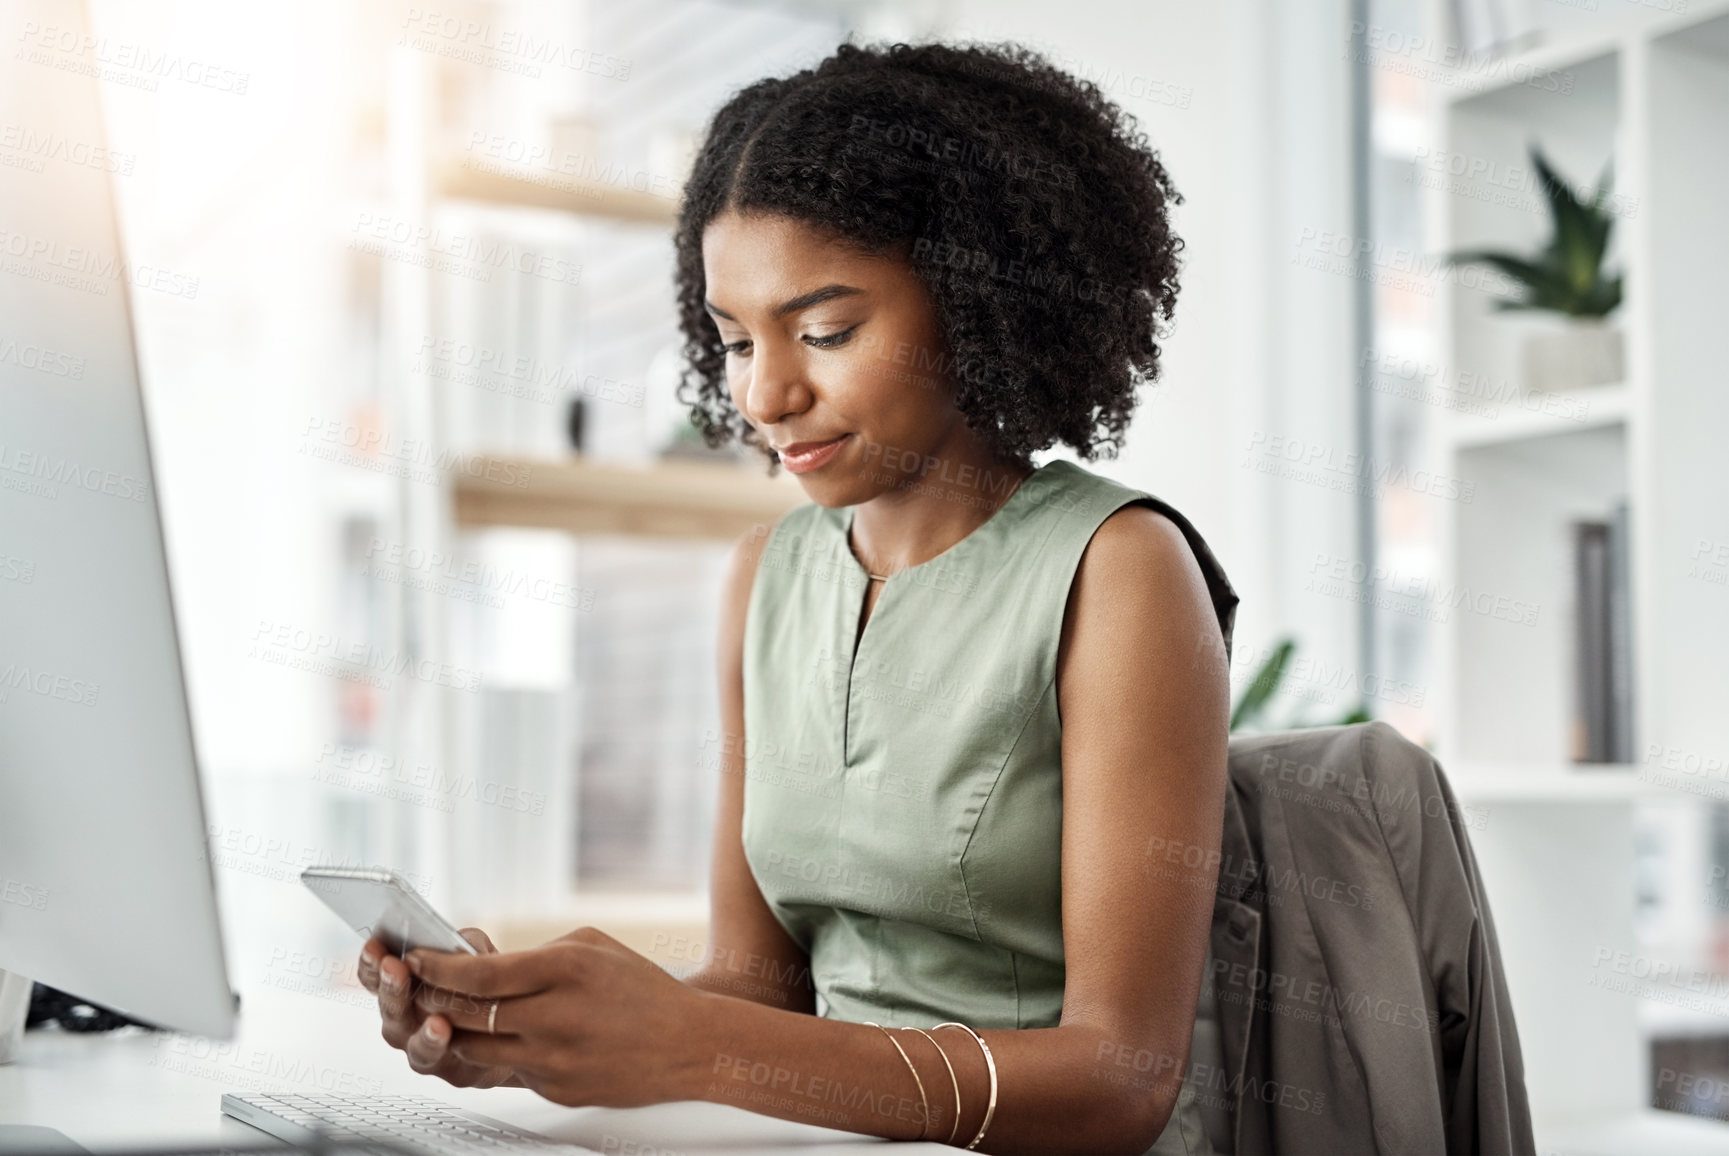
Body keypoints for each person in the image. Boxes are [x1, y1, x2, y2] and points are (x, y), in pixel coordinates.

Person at [357, 39, 1236, 1155]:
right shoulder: (765, 576)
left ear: (976, 296)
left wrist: (695, 1046)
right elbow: (758, 986)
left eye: (825, 331)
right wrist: (550, 1027)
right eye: (732, 341)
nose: (765, 394)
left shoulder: (1118, 567)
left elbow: (1119, 1082)